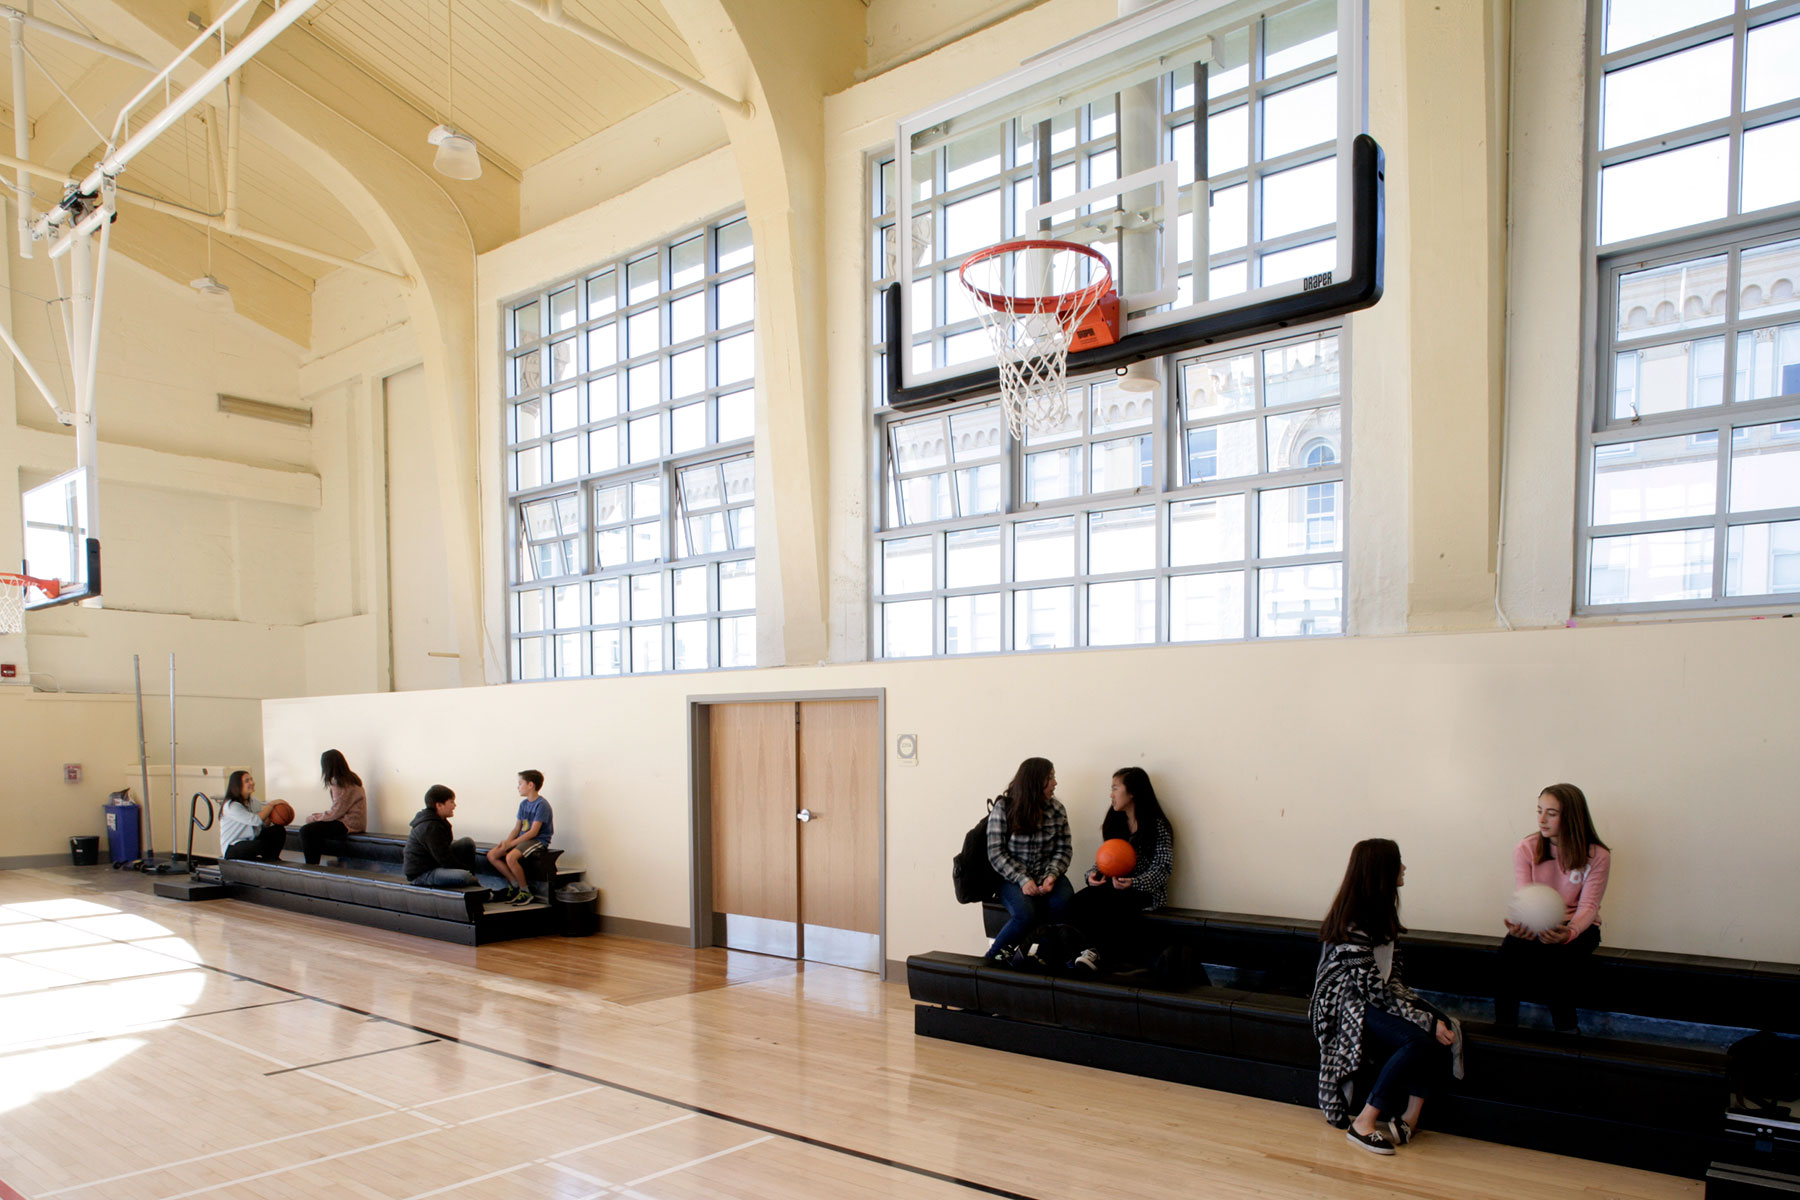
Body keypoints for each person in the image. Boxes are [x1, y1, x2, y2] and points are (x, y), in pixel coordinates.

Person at [1310, 838, 1460, 1155]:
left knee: (1440, 1024)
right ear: (1381, 871)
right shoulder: (1353, 921)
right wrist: (1423, 1020)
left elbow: (1393, 980)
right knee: (1421, 1036)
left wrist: (1428, 1016)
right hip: (1343, 1004)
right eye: (1398, 862)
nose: (1404, 868)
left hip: (1371, 996)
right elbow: (1371, 992)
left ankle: (1410, 1118)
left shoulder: (1382, 913)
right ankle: (1364, 1122)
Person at [1495, 783, 1612, 1033]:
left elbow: (1589, 906)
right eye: (1539, 810)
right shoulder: (1525, 849)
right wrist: (1520, 925)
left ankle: (1567, 1034)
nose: (1542, 819)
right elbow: (1525, 897)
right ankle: (1504, 1033)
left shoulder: (1598, 855)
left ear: (1571, 816)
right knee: (1506, 957)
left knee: (1557, 965)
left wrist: (1569, 933)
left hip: (1577, 928)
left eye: (1551, 813)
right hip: (1536, 924)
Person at [1065, 766, 1173, 973]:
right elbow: (1106, 858)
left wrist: (1134, 882)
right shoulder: (1115, 822)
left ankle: (1101, 955)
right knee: (1076, 903)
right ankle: (1086, 951)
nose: (1111, 795)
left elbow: (1163, 868)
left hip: (1143, 892)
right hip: (1113, 887)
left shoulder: (1157, 826)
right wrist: (1092, 876)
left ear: (1132, 793)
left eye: (1115, 788)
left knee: (1111, 905)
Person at [984, 757, 1073, 962]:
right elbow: (996, 853)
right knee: (1025, 913)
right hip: (1011, 879)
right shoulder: (1004, 809)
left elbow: (1064, 849)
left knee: (1064, 905)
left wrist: (1051, 875)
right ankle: (992, 959)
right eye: (1050, 778)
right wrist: (1023, 879)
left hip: (1048, 874)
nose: (1055, 783)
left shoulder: (1057, 810)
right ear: (1035, 781)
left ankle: (1044, 959)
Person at [486, 770, 554, 906]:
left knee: (510, 857)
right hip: (523, 840)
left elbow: (533, 832)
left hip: (537, 841)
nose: (518, 787)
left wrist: (512, 844)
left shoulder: (542, 805)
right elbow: (517, 828)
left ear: (530, 785)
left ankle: (525, 891)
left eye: (520, 783)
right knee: (492, 855)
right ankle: (515, 884)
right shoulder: (523, 805)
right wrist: (507, 842)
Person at [404, 784, 482, 889]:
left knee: (467, 843)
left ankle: (471, 883)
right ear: (439, 805)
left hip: (434, 863)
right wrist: (465, 870)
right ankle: (478, 888)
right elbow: (444, 859)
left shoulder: (439, 820)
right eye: (451, 802)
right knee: (464, 876)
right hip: (422, 874)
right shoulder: (430, 827)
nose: (455, 805)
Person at [299, 749, 367, 866]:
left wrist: (315, 818)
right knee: (316, 829)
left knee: (306, 830)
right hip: (354, 823)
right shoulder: (351, 779)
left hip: (347, 824)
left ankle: (311, 866)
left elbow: (336, 812)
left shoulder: (340, 783)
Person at [218, 770, 289, 862]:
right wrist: (272, 804)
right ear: (237, 785)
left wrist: (273, 817)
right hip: (232, 846)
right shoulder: (231, 806)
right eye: (247, 781)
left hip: (251, 838)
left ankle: (273, 859)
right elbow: (255, 820)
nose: (252, 782)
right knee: (260, 845)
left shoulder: (254, 801)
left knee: (278, 830)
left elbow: (263, 823)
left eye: (251, 779)